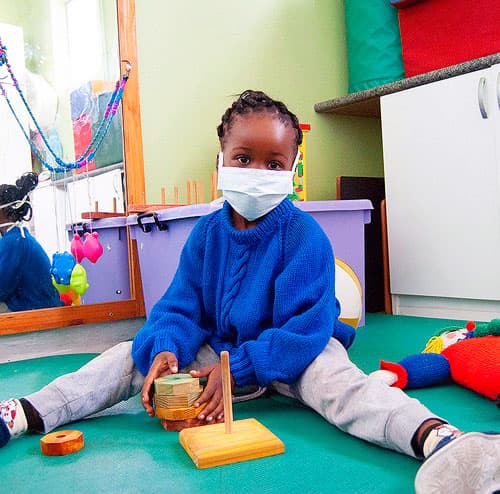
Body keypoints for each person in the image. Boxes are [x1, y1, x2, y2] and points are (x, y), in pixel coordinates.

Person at [0, 91, 498, 493]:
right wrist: (168, 352)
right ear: (222, 160)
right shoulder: (206, 235)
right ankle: (23, 411)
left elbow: (306, 330)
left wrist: (236, 368)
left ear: (292, 173)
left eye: (274, 164)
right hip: (215, 355)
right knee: (128, 354)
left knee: (340, 383)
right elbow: (178, 306)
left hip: (291, 357)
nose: (258, 173)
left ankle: (439, 438)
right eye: (243, 158)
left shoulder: (304, 238)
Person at [0, 172, 63, 312]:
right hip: (42, 308)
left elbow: (1, 289)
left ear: (4, 210)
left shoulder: (14, 242)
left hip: (37, 313)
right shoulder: (18, 237)